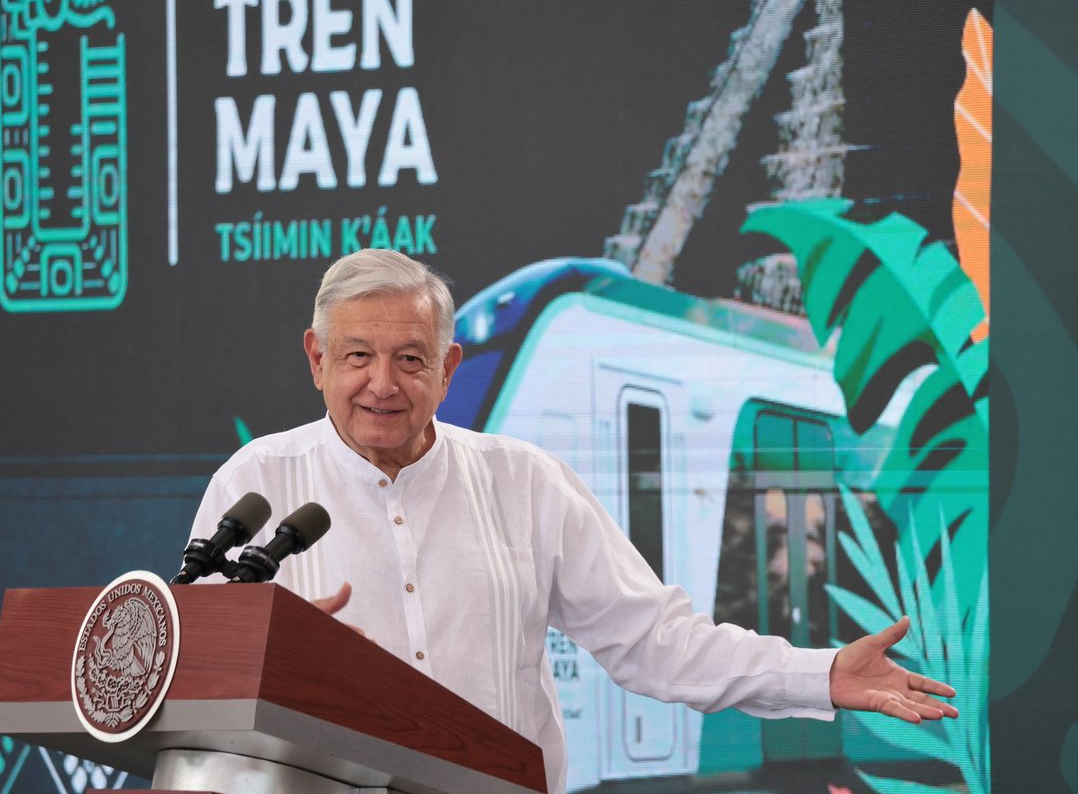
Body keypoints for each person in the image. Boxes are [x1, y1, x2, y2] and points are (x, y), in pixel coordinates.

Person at [188, 249, 957, 793]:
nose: (382, 384)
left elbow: (656, 642)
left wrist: (821, 675)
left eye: (411, 359)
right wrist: (267, 657)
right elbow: (187, 677)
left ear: (449, 369)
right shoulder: (256, 483)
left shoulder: (526, 482)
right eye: (357, 356)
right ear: (317, 360)